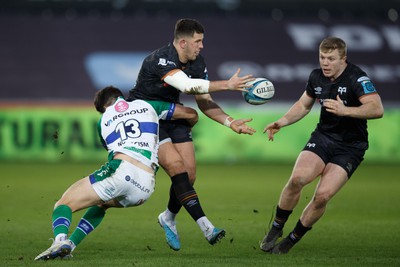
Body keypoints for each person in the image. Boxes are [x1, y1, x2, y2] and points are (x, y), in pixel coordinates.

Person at [128, 18, 256, 251]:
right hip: (148, 119)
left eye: (202, 41)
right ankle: (207, 226)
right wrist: (227, 84)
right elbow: (187, 87)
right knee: (177, 168)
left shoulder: (198, 62)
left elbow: (205, 102)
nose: (201, 46)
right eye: (198, 41)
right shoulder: (160, 59)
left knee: (189, 175)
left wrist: (230, 122)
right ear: (183, 42)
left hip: (174, 116)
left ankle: (167, 217)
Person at [34, 86, 199, 260]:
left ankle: (59, 241)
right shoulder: (148, 105)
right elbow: (191, 114)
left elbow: (114, 147)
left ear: (104, 107)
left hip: (123, 170)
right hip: (145, 187)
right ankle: (70, 245)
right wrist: (185, 130)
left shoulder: (103, 119)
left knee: (63, 204)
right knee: (101, 204)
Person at [259, 36, 384, 254]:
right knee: (297, 179)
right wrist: (282, 122)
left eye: (331, 58)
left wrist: (347, 111)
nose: (325, 63)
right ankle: (276, 228)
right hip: (323, 138)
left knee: (323, 196)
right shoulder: (316, 77)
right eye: (322, 57)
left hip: (351, 147)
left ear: (343, 59)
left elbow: (377, 108)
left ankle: (291, 239)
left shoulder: (357, 77)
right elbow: (303, 105)